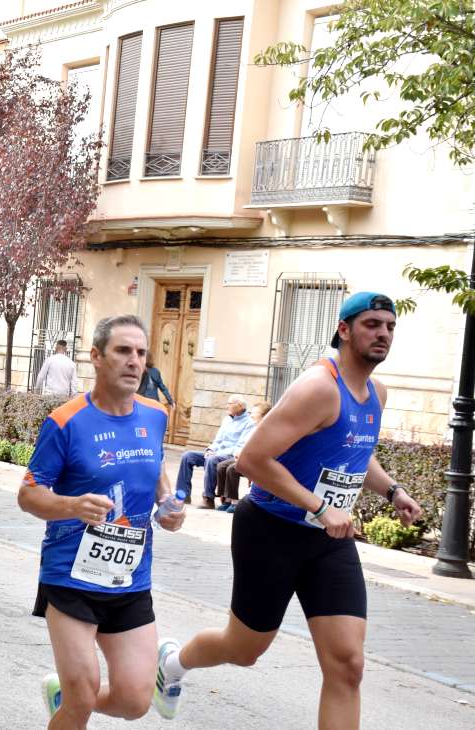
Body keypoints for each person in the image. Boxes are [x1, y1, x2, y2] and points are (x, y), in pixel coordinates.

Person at [153, 292, 424, 729]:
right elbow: (251, 460)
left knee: (348, 665)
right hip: (271, 530)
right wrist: (320, 506)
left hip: (328, 541)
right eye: (372, 324)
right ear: (344, 330)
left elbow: (354, 451)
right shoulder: (318, 387)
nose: (383, 334)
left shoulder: (376, 393)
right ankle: (173, 664)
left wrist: (392, 491)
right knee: (244, 650)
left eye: (390, 326)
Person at [18, 314, 185, 729]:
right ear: (96, 356)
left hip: (129, 578)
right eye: (123, 351)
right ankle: (72, 697)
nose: (134, 361)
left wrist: (167, 504)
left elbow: (155, 467)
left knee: (134, 701)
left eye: (141, 353)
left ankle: (64, 694)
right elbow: (29, 494)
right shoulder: (65, 421)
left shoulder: (154, 415)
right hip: (72, 577)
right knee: (82, 696)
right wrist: (72, 505)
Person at [176, 395, 254, 509]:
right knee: (188, 456)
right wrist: (210, 449)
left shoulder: (249, 423)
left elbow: (240, 446)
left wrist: (216, 454)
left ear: (240, 406)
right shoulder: (227, 419)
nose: (227, 406)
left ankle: (208, 498)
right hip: (217, 453)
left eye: (230, 403)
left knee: (212, 460)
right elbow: (217, 441)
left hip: (229, 456)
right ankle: (183, 495)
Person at [214, 401, 272, 512]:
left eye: (255, 412)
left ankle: (234, 502)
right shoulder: (254, 427)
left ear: (264, 415)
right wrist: (239, 454)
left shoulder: (266, 430)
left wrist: (243, 456)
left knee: (232, 469)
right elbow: (244, 444)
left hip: (255, 462)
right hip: (245, 457)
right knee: (221, 466)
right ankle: (226, 499)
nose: (251, 415)